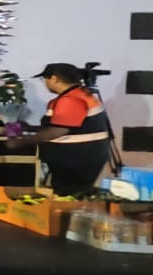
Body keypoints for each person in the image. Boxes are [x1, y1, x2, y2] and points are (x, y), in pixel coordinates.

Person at [8, 63, 112, 197]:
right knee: (71, 194)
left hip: (76, 161)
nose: (45, 83)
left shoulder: (71, 100)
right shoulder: (80, 95)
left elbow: (58, 131)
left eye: (44, 79)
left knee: (68, 196)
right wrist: (29, 127)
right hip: (81, 157)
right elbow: (67, 126)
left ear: (54, 79)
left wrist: (22, 141)